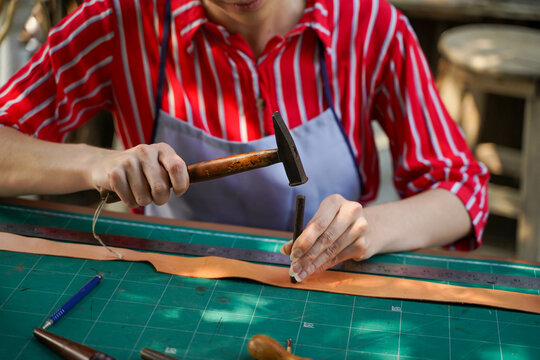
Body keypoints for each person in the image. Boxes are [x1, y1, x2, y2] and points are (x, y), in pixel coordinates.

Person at [0, 0, 488, 283]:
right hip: (168, 284)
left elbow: (464, 190)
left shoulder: (367, 26)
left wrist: (370, 228)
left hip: (324, 290)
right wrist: (96, 165)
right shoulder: (122, 22)